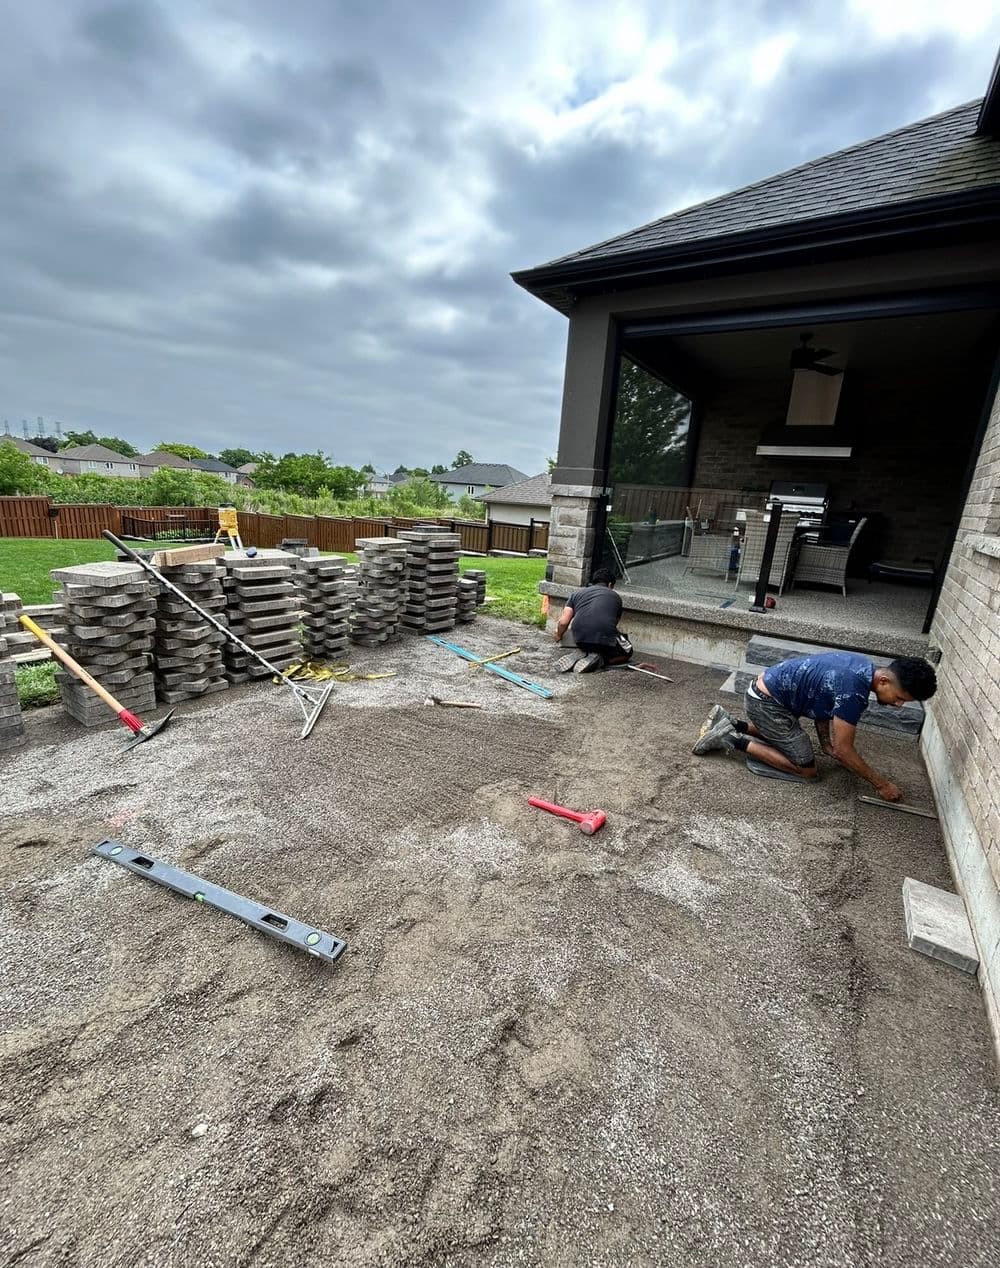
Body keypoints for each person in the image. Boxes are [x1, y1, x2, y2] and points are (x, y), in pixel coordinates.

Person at [691, 652, 937, 800]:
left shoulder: (861, 667)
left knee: (789, 739)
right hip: (768, 705)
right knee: (807, 770)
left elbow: (824, 703)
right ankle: (730, 739)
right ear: (884, 681)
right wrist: (882, 785)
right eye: (900, 698)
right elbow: (845, 750)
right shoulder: (854, 692)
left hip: (766, 697)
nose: (899, 705)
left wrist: (825, 744)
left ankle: (732, 722)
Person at [553, 567, 634, 673]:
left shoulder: (576, 594)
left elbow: (563, 622)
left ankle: (584, 652)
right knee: (628, 651)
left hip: (579, 640)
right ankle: (601, 660)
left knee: (591, 641)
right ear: (610, 584)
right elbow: (613, 625)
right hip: (603, 642)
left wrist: (559, 635)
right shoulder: (616, 597)